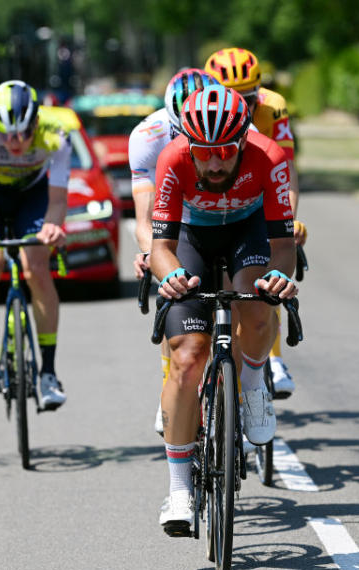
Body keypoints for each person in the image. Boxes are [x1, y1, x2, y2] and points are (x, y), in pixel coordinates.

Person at [150, 85, 297, 535]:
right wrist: (170, 274)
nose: (214, 164)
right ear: (189, 146)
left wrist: (280, 278)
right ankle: (178, 492)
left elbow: (283, 246)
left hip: (246, 233)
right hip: (193, 239)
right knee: (188, 357)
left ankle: (252, 383)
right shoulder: (173, 159)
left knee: (255, 304)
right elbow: (161, 248)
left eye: (225, 154)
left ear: (242, 143)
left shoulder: (269, 156)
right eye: (204, 153)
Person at [0, 80, 70, 410]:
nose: (16, 142)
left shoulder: (56, 135)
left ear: (36, 120)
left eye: (23, 133)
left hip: (33, 197)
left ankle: (48, 372)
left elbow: (59, 198)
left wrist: (53, 226)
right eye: (7, 135)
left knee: (36, 267)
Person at [204, 46, 306, 400]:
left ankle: (271, 358)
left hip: (260, 194)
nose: (242, 108)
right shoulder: (203, 114)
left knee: (265, 278)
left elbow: (285, 170)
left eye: (248, 99)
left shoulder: (273, 106)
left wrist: (289, 219)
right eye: (230, 98)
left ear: (258, 93)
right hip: (213, 205)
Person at [128, 68, 221, 435]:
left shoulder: (236, 126)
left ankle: (245, 389)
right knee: (175, 290)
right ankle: (173, 384)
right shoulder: (148, 137)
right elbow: (144, 218)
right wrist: (154, 255)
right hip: (174, 219)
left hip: (226, 214)